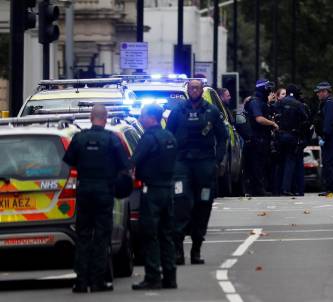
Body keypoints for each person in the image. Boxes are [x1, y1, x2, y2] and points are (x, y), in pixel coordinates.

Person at [63, 104, 129, 293]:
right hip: (104, 192)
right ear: (106, 118)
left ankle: (81, 281)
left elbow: (70, 161)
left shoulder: (79, 138)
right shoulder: (111, 140)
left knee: (83, 235)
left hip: (84, 191)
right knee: (101, 236)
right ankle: (98, 280)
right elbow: (124, 166)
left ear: (91, 117)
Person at [168, 79, 228, 265]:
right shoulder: (177, 111)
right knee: (181, 204)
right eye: (191, 88)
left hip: (204, 164)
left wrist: (216, 161)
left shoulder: (211, 111)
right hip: (182, 164)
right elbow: (168, 134)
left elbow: (222, 137)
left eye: (197, 88)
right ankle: (178, 249)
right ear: (187, 90)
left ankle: (196, 249)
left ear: (202, 90)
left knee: (203, 205)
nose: (194, 90)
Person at [131, 104, 178, 290]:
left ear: (151, 117)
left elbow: (134, 160)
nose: (141, 119)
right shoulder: (170, 137)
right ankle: (170, 276)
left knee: (150, 234)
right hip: (168, 189)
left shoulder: (148, 138)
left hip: (151, 191)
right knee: (166, 235)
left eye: (143, 116)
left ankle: (152, 276)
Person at [245, 79, 278, 196]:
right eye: (267, 87)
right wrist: (272, 124)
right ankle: (257, 189)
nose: (270, 90)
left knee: (262, 164)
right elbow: (259, 118)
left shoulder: (262, 102)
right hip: (257, 138)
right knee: (257, 165)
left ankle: (259, 188)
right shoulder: (255, 102)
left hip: (263, 138)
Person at [275, 84, 308, 196]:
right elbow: (305, 120)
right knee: (290, 161)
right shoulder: (298, 104)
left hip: (280, 135)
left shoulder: (279, 103)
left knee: (280, 162)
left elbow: (274, 115)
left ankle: (277, 189)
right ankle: (286, 188)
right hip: (293, 136)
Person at [314, 81, 333, 196]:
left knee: (329, 163)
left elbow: (328, 122)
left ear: (325, 92)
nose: (317, 94)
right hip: (329, 137)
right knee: (329, 163)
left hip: (329, 137)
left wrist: (324, 136)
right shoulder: (327, 102)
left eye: (319, 92)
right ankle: (331, 188)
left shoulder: (329, 103)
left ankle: (331, 189)